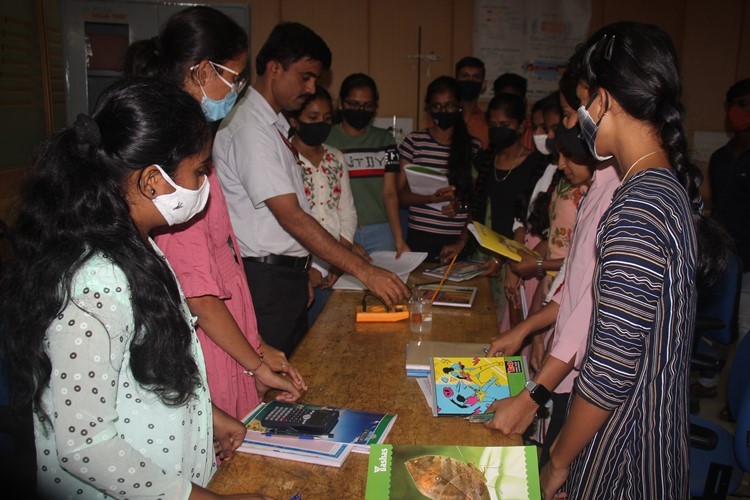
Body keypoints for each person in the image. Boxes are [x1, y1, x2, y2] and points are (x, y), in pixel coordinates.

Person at [0, 78, 273, 499]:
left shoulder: (139, 246)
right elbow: (86, 445)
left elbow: (144, 372)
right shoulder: (96, 281)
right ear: (152, 181)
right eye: (200, 170)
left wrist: (208, 418)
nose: (205, 182)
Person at [539, 22, 706, 499]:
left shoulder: (637, 206)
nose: (581, 120)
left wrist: (558, 461)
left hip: (624, 454)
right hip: (653, 437)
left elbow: (609, 371)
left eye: (584, 102)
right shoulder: (664, 187)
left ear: (605, 100)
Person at [124, 6, 305, 421]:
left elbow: (221, 263)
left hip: (231, 338)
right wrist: (255, 362)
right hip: (210, 344)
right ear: (204, 71)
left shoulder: (196, 144)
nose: (238, 89)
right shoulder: (175, 162)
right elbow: (200, 295)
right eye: (235, 77)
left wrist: (256, 344)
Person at [213, 23, 409, 356]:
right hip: (264, 281)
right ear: (275, 69)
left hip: (285, 277)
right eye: (305, 77)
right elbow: (290, 216)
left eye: (315, 79)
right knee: (268, 387)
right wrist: (364, 272)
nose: (311, 87)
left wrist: (304, 270)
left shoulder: (274, 126)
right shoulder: (251, 128)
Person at [288, 85, 357, 324]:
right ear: (295, 120)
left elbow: (346, 211)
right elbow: (287, 219)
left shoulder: (336, 157)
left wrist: (338, 261)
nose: (321, 124)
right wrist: (313, 267)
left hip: (336, 261)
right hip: (298, 266)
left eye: (327, 119)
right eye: (313, 118)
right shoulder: (285, 157)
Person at [396, 76, 481, 262]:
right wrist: (429, 198)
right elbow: (400, 196)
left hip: (457, 241)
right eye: (437, 106)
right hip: (419, 238)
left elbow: (476, 203)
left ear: (459, 106)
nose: (443, 111)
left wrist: (459, 206)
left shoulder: (473, 147)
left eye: (449, 106)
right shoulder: (414, 141)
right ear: (429, 108)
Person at [326, 73, 408, 255]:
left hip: (380, 231)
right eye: (353, 104)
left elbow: (390, 193)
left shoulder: (386, 140)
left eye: (367, 105)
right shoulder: (326, 138)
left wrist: (399, 240)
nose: (360, 110)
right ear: (341, 103)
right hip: (339, 230)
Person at [493, 72, 534, 151]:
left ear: (524, 101)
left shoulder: (536, 128)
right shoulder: (487, 125)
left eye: (513, 101)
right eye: (503, 100)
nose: (508, 105)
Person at [455, 56, 489, 150]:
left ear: (483, 85)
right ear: (456, 81)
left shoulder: (487, 121)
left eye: (476, 77)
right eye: (464, 76)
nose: (470, 80)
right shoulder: (443, 116)